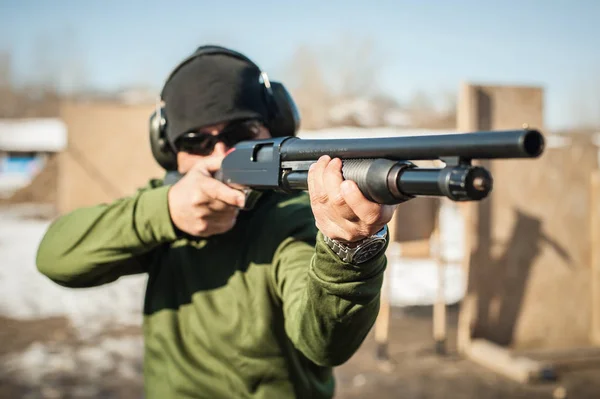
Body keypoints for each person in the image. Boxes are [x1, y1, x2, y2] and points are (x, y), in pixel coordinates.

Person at [36, 45, 397, 399]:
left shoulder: (292, 214)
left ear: (273, 129)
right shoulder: (161, 207)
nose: (222, 155)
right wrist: (165, 214)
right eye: (196, 141)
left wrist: (346, 249)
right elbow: (55, 258)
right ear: (169, 151)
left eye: (240, 134)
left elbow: (324, 344)